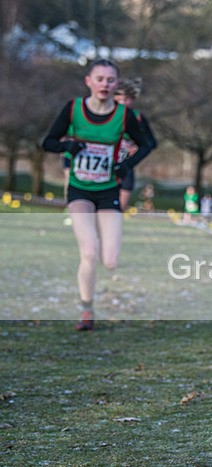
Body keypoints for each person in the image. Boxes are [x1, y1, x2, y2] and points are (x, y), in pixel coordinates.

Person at [42, 59, 152, 331]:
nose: (104, 84)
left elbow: (147, 144)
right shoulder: (73, 109)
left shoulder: (123, 116)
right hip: (80, 189)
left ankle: (100, 237)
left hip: (108, 190)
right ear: (88, 81)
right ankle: (87, 309)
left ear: (116, 84)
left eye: (110, 80)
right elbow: (48, 142)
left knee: (110, 261)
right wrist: (69, 146)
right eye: (99, 79)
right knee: (89, 252)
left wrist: (126, 165)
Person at [113, 78, 158, 211]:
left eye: (126, 99)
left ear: (132, 100)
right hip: (105, 168)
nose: (123, 103)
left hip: (126, 167)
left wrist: (137, 147)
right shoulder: (105, 115)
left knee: (118, 210)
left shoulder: (137, 117)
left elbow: (152, 142)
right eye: (119, 99)